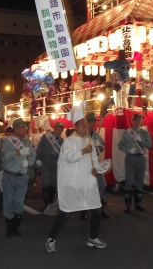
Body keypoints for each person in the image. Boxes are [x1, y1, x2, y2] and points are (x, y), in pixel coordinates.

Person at [45, 101, 107, 253]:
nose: (86, 127)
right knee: (66, 212)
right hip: (73, 184)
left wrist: (99, 168)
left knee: (97, 210)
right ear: (75, 126)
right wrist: (82, 152)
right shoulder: (69, 142)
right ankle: (51, 239)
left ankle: (92, 238)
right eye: (82, 124)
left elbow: (94, 160)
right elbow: (68, 158)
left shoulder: (90, 140)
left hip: (88, 184)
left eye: (86, 124)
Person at [1, 118, 36, 237]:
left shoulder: (28, 142)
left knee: (19, 203)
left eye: (26, 127)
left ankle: (16, 225)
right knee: (9, 201)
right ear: (15, 129)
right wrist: (19, 152)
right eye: (22, 127)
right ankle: (9, 227)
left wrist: (30, 162)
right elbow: (5, 155)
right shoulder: (7, 141)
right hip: (10, 176)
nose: (25, 129)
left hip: (22, 177)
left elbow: (32, 155)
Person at [118, 113, 152, 213]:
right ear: (133, 120)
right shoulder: (127, 133)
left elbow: (150, 145)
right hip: (130, 158)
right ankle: (127, 205)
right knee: (128, 181)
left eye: (140, 119)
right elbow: (120, 145)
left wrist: (143, 142)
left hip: (141, 159)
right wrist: (128, 150)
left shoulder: (145, 133)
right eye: (137, 119)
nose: (139, 121)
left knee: (139, 182)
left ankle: (138, 204)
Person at [80, 112, 109, 220]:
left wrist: (99, 146)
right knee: (86, 187)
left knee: (101, 185)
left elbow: (102, 147)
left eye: (94, 122)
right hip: (85, 164)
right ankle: (84, 210)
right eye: (91, 122)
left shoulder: (96, 134)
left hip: (96, 164)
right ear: (87, 122)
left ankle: (100, 209)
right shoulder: (82, 134)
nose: (93, 124)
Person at [36, 122, 64, 209]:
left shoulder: (62, 141)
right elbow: (39, 148)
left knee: (53, 183)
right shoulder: (47, 137)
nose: (59, 131)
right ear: (54, 128)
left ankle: (51, 200)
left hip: (55, 164)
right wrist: (38, 159)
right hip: (45, 163)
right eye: (58, 129)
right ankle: (47, 204)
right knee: (46, 183)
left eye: (61, 130)